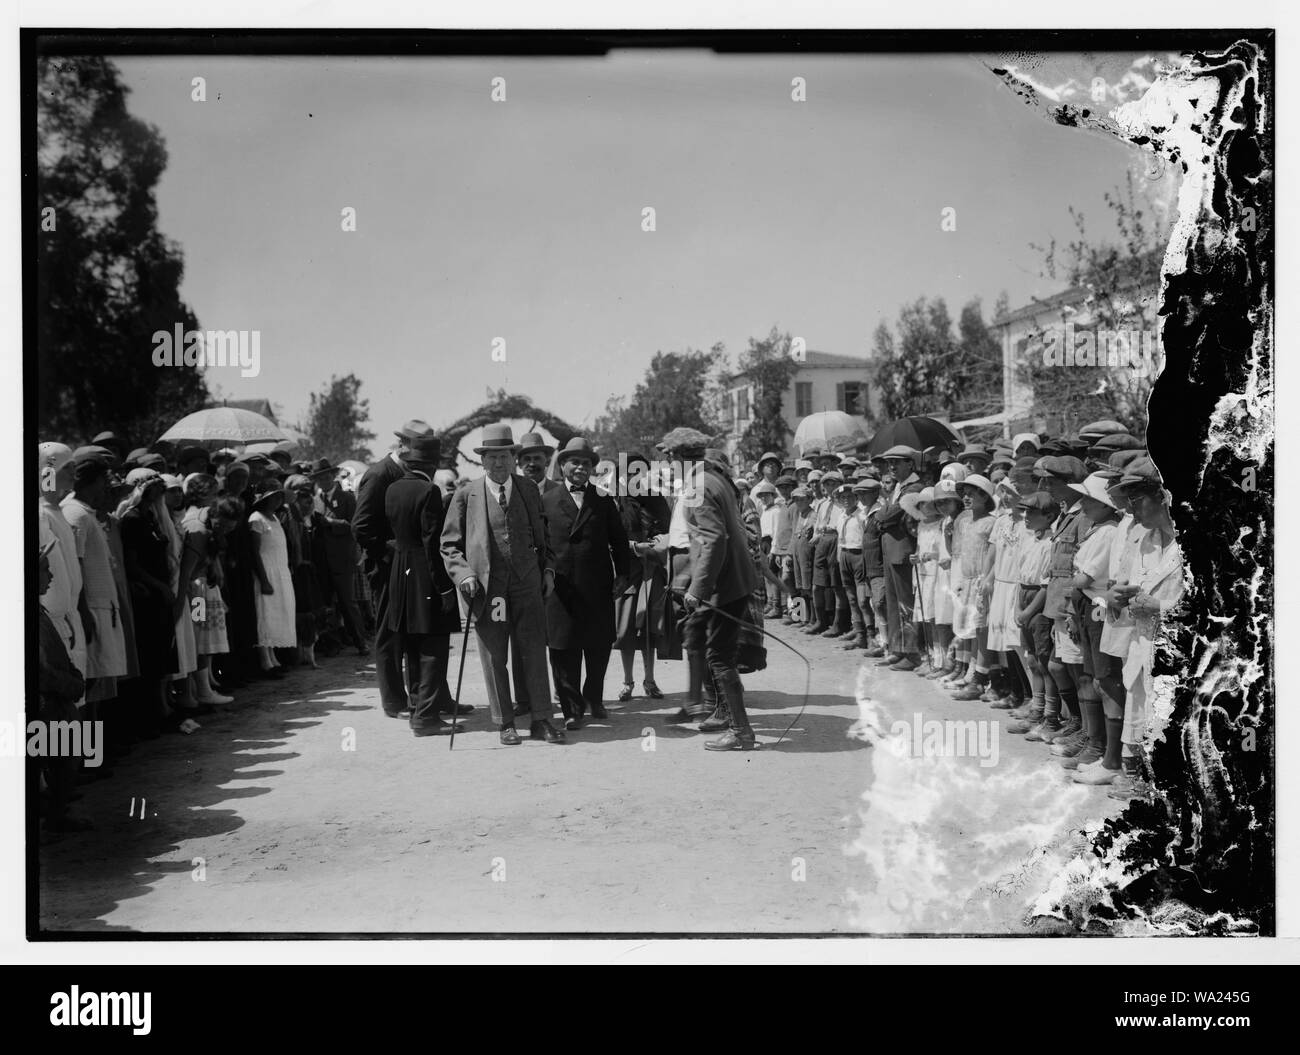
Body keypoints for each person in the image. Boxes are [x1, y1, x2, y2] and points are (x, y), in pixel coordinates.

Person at [441, 424, 561, 745]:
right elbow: (449, 545)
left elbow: (543, 537)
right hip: (487, 588)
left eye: (504, 456)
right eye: (492, 457)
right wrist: (464, 574)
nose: (498, 463)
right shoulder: (466, 495)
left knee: (534, 651)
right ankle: (505, 721)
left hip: (527, 584)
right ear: (482, 461)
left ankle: (541, 719)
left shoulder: (528, 489)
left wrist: (548, 570)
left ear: (513, 458)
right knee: (496, 655)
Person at [542, 438, 630, 730]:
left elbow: (618, 541)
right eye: (574, 462)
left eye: (586, 463)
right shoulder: (546, 500)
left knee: (598, 645)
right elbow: (539, 544)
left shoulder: (603, 498)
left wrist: (624, 575)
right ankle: (571, 708)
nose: (580, 468)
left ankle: (595, 698)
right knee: (563, 647)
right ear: (563, 465)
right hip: (560, 588)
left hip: (597, 585)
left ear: (592, 468)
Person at [679, 446, 760, 751]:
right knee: (718, 653)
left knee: (719, 656)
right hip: (733, 579)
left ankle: (741, 731)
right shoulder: (716, 480)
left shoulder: (699, 486)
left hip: (724, 584)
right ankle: (730, 717)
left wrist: (697, 589)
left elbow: (713, 540)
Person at [385, 432, 463, 738]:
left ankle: (417, 708)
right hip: (423, 575)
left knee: (411, 647)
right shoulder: (428, 490)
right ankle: (426, 717)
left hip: (399, 573)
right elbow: (433, 544)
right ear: (431, 464)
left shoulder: (392, 489)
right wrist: (445, 586)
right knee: (432, 647)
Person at [354, 421, 431, 715]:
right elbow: (360, 527)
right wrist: (389, 555)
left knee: (413, 632)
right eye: (418, 447)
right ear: (401, 446)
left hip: (407, 567)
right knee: (389, 634)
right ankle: (394, 701)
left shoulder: (405, 473)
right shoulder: (379, 474)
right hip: (386, 569)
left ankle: (421, 697)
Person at [117, 469, 180, 735]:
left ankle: (164, 706)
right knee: (151, 654)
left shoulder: (151, 517)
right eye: (153, 489)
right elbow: (132, 563)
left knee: (163, 651)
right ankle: (152, 714)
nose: (158, 495)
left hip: (161, 593)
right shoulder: (132, 519)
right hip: (148, 595)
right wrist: (158, 585)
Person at [613, 452, 671, 702]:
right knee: (625, 629)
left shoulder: (656, 499)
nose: (634, 476)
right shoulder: (614, 501)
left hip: (652, 570)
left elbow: (668, 532)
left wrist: (656, 544)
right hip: (625, 572)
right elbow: (608, 538)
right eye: (630, 471)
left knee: (649, 627)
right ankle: (628, 681)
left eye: (639, 471)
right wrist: (633, 547)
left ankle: (650, 680)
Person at [311, 458, 368, 656]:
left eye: (326, 475)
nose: (323, 480)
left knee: (348, 602)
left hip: (343, 558)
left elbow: (354, 525)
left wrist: (330, 522)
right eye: (319, 477)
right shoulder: (315, 501)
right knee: (327, 604)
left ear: (333, 475)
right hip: (322, 560)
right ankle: (333, 644)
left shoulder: (347, 498)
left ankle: (361, 642)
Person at [874, 445, 924, 670]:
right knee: (894, 603)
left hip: (903, 550)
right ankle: (898, 648)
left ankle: (911, 654)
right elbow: (883, 518)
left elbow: (887, 515)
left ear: (910, 464)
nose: (892, 466)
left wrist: (883, 516)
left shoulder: (914, 487)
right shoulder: (897, 487)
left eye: (897, 462)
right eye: (889, 462)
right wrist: (883, 517)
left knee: (906, 604)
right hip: (891, 550)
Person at [248, 480, 296, 675]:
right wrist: (264, 579)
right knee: (265, 615)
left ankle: (274, 657)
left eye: (278, 497)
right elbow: (255, 552)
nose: (276, 500)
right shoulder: (256, 519)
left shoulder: (275, 518)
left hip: (280, 571)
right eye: (272, 497)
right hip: (267, 571)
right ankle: (265, 659)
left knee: (278, 614)